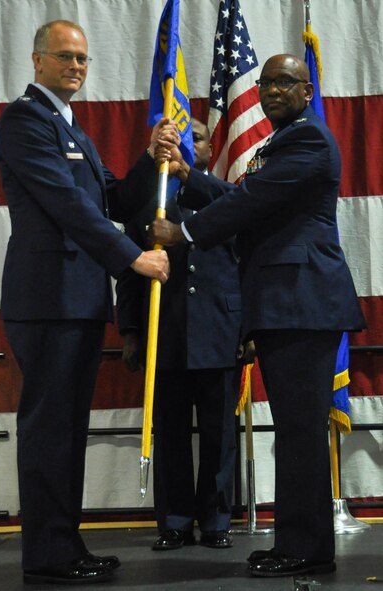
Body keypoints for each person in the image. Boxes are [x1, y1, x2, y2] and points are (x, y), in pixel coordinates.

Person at [149, 54, 366, 577]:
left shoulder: (307, 138)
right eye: (266, 82)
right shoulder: (282, 141)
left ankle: (308, 547)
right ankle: (295, 539)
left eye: (284, 82)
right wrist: (187, 175)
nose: (271, 91)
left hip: (302, 301)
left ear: (307, 91)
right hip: (286, 303)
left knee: (300, 432)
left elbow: (251, 202)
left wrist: (185, 233)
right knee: (294, 430)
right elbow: (249, 198)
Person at [0, 20, 172, 585]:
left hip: (76, 300)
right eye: (65, 57)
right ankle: (48, 553)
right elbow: (69, 206)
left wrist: (149, 156)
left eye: (84, 60)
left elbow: (114, 198)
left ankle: (64, 545)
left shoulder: (72, 129)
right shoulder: (25, 122)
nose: (76, 67)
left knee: (67, 430)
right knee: (50, 429)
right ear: (37, 60)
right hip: (48, 300)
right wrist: (132, 260)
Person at [116, 118, 242, 552]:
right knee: (169, 433)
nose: (192, 145)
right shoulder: (149, 203)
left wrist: (248, 330)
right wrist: (131, 331)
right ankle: (173, 521)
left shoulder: (225, 198)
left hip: (219, 331)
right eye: (185, 138)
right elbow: (129, 272)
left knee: (219, 434)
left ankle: (216, 520)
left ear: (210, 150)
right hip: (165, 333)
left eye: (199, 139)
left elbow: (245, 266)